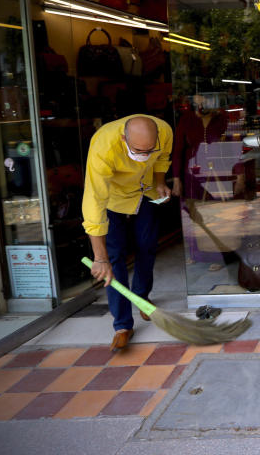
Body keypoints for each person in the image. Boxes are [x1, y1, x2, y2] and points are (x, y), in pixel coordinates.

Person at [83, 114, 173, 351]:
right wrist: (99, 258)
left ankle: (142, 298)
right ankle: (122, 325)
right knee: (114, 257)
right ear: (124, 139)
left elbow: (162, 158)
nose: (144, 157)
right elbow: (94, 201)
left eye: (148, 151)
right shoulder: (103, 146)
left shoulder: (164, 131)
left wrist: (160, 181)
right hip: (112, 198)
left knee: (147, 245)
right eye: (138, 151)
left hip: (145, 192)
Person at [170, 94, 230, 270]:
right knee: (192, 214)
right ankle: (196, 253)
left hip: (217, 172)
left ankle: (218, 256)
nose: (201, 102)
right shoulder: (187, 119)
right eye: (197, 98)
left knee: (216, 214)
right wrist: (176, 179)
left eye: (204, 98)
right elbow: (178, 149)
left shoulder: (222, 118)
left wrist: (238, 173)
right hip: (192, 174)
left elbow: (232, 143)